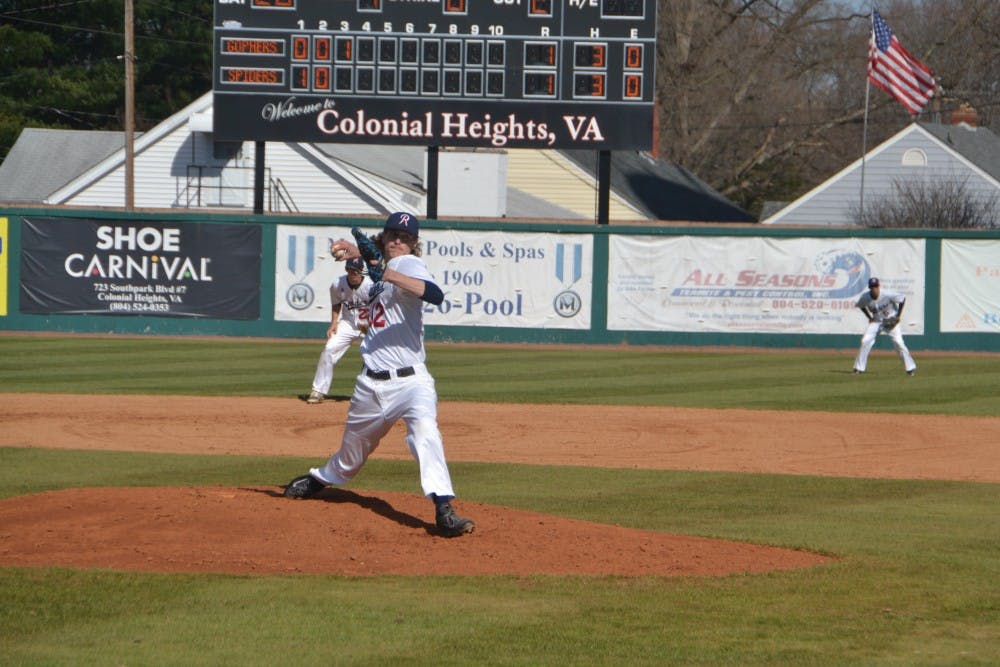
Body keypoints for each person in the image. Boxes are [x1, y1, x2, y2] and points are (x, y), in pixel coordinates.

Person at [283, 212, 475, 537]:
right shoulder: (373, 267)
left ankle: (444, 509)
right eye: (392, 234)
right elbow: (366, 257)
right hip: (371, 384)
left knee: (426, 435)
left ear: (414, 242)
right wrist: (350, 249)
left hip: (412, 382)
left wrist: (387, 272)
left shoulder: (409, 265)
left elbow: (434, 294)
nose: (398, 239)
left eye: (405, 235)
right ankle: (319, 479)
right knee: (351, 455)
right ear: (385, 237)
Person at [306, 257, 371, 404]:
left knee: (373, 358)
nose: (353, 273)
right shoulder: (337, 284)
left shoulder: (371, 285)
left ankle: (371, 395)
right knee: (329, 349)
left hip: (369, 325)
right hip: (348, 324)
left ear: (362, 271)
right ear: (346, 269)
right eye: (350, 270)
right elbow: (336, 304)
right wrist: (334, 323)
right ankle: (318, 390)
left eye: (356, 270)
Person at [853, 277, 917, 375]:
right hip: (877, 321)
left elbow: (902, 299)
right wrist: (869, 317)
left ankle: (910, 368)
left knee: (899, 343)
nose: (874, 288)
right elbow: (861, 306)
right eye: (872, 287)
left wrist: (898, 316)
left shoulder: (887, 294)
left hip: (891, 321)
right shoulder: (865, 297)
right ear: (869, 288)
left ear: (878, 286)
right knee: (865, 341)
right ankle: (859, 368)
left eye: (875, 286)